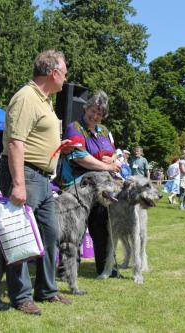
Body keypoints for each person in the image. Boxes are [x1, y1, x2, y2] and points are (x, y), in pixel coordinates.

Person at [0, 50, 72, 315]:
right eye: (64, 72)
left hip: (40, 177)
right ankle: (21, 297)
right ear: (53, 73)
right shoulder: (27, 97)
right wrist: (17, 184)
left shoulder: (45, 100)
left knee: (50, 233)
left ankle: (47, 290)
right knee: (19, 235)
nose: (66, 78)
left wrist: (56, 147)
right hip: (24, 174)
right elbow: (16, 142)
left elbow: (34, 137)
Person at [60, 90, 121, 276]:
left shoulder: (104, 131)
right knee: (74, 230)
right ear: (86, 108)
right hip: (78, 187)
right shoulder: (74, 128)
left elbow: (114, 154)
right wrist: (106, 166)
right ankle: (67, 271)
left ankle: (106, 268)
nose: (95, 116)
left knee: (102, 228)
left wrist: (114, 161)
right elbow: (80, 157)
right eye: (93, 111)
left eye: (100, 113)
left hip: (101, 189)